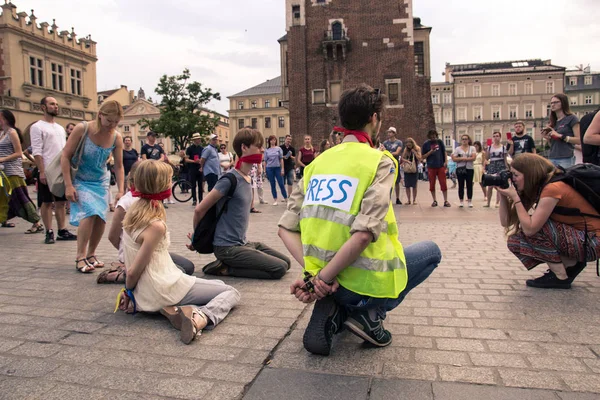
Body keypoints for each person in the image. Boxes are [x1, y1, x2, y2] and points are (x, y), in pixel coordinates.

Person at [277, 84, 441, 356]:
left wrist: (314, 278)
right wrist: (324, 280)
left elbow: (284, 228)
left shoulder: (317, 163)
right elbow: (363, 234)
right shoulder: (381, 161)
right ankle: (370, 315)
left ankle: (338, 311)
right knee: (431, 252)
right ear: (374, 119)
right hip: (361, 281)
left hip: (326, 281)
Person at [117, 159, 239, 344]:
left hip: (150, 290)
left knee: (217, 283)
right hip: (163, 288)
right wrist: (129, 293)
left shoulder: (132, 214)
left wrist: (132, 293)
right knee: (231, 291)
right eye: (168, 181)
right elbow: (134, 270)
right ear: (158, 185)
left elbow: (131, 263)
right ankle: (200, 317)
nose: (170, 184)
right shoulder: (155, 225)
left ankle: (170, 309)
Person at [192, 127, 290, 279]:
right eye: (258, 146)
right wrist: (196, 240)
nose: (262, 150)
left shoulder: (247, 178)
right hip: (227, 247)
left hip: (243, 243)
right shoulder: (229, 179)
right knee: (279, 268)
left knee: (287, 262)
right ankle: (225, 268)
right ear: (244, 148)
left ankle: (234, 262)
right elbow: (199, 209)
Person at [498, 153, 599, 289]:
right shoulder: (540, 187)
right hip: (584, 239)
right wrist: (503, 195)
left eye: (516, 175)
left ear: (530, 174)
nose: (513, 179)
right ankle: (571, 264)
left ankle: (560, 276)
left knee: (536, 228)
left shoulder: (552, 188)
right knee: (516, 241)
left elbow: (530, 229)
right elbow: (506, 222)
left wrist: (515, 198)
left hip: (593, 242)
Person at [102, 161, 195, 283]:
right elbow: (113, 236)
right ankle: (123, 273)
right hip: (136, 256)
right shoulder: (126, 203)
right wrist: (129, 251)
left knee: (188, 267)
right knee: (178, 273)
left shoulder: (154, 199)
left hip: (153, 253)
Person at [61, 100, 125, 273]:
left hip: (101, 181)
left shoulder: (116, 137)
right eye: (109, 121)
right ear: (100, 115)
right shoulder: (82, 129)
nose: (112, 125)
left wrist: (120, 190)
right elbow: (65, 156)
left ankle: (91, 254)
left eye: (116, 122)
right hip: (80, 179)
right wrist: (68, 185)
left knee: (100, 218)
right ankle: (80, 256)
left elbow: (118, 166)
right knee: (89, 213)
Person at [30, 97, 77, 244]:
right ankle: (49, 231)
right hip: (47, 169)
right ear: (43, 107)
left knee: (61, 201)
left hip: (60, 170)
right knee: (46, 201)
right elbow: (37, 151)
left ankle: (62, 230)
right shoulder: (37, 127)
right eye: (52, 104)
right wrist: (42, 171)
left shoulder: (60, 128)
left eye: (57, 104)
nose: (55, 107)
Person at [0, 110, 42, 232]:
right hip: (3, 172)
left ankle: (36, 222)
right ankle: (3, 219)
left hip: (13, 172)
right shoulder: (3, 133)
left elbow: (18, 153)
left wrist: (2, 159)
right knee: (3, 197)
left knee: (20, 197)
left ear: (6, 119)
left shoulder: (12, 133)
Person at [541, 94, 580, 168]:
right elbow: (553, 144)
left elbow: (579, 140)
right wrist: (548, 139)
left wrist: (561, 136)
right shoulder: (553, 122)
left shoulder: (572, 118)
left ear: (563, 103)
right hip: (552, 157)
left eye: (556, 102)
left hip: (566, 157)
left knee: (564, 178)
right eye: (551, 103)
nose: (553, 105)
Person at [422, 130, 449, 207]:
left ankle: (445, 200)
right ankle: (434, 200)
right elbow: (423, 156)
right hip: (431, 166)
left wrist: (445, 161)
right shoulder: (426, 144)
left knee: (443, 183)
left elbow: (444, 152)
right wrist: (430, 151)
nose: (433, 137)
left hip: (440, 165)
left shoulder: (439, 142)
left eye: (435, 136)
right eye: (432, 136)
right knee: (432, 184)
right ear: (429, 136)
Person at [452, 134, 476, 208]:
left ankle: (469, 201)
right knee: (461, 185)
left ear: (468, 140)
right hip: (460, 168)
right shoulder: (458, 149)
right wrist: (465, 158)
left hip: (469, 168)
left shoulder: (472, 148)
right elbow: (454, 159)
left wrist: (462, 158)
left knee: (469, 185)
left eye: (466, 139)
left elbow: (473, 158)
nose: (464, 140)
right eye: (463, 139)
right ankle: (461, 201)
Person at [485, 132, 508, 208]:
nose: (495, 137)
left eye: (497, 136)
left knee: (498, 184)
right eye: (494, 136)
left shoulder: (503, 147)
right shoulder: (490, 147)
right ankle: (488, 202)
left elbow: (505, 158)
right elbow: (487, 157)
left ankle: (497, 202)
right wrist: (487, 149)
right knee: (490, 185)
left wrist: (506, 166)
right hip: (492, 164)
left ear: (500, 137)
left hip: (500, 164)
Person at [264, 135, 287, 205]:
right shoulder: (267, 150)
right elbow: (265, 161)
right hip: (269, 168)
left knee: (281, 183)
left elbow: (281, 159)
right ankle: (275, 199)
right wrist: (265, 171)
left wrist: (282, 169)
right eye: (271, 140)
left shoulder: (279, 149)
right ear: (269, 141)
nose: (273, 141)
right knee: (272, 184)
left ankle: (286, 198)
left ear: (276, 141)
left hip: (277, 167)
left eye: (274, 140)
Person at [383, 127, 403, 205]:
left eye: (390, 132)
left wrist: (388, 153)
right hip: (387, 163)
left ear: (394, 133)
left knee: (397, 181)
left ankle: (397, 198)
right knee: (387, 181)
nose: (389, 134)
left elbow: (397, 152)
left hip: (395, 162)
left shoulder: (399, 142)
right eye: (388, 132)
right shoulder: (385, 143)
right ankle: (388, 197)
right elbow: (383, 151)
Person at [400, 138, 421, 205]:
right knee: (407, 185)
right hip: (407, 169)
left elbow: (420, 158)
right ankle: (408, 200)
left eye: (410, 144)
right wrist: (407, 161)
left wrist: (414, 152)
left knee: (414, 185)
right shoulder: (406, 149)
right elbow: (402, 158)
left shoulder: (417, 148)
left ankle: (414, 200)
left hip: (414, 168)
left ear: (412, 143)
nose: (408, 145)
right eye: (407, 144)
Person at [185, 132, 204, 206]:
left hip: (199, 168)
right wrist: (194, 161)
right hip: (192, 168)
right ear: (194, 140)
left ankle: (201, 199)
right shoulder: (189, 149)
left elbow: (203, 159)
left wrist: (201, 164)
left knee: (200, 185)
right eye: (198, 139)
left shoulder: (202, 149)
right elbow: (186, 159)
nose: (199, 140)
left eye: (199, 139)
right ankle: (194, 199)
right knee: (193, 185)